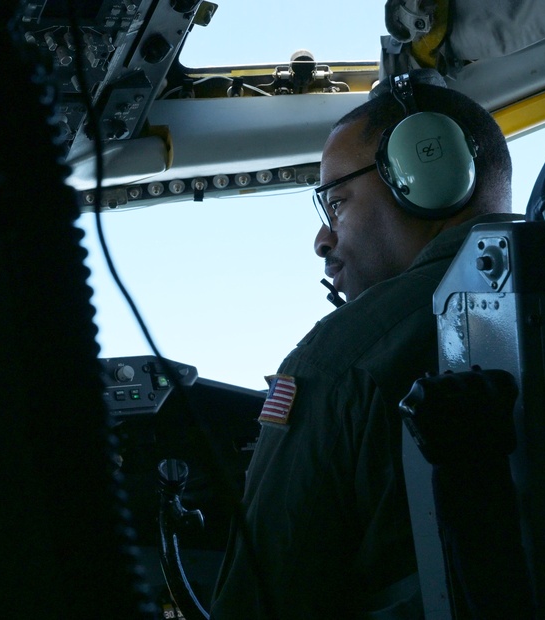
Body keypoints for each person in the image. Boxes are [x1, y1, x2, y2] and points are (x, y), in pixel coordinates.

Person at [209, 70, 517, 618]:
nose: (323, 239)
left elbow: (260, 602)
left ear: (427, 175)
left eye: (337, 203)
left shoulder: (340, 361)